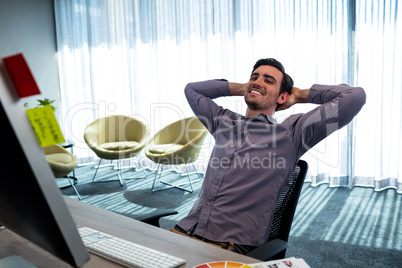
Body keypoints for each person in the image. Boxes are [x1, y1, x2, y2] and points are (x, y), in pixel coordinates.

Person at [171, 58, 366, 254]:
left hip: (229, 246)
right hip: (186, 229)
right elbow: (192, 90)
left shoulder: (292, 133)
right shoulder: (223, 121)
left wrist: (298, 95)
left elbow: (355, 96)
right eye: (254, 77)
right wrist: (246, 87)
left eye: (268, 81)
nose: (258, 81)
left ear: (282, 97)